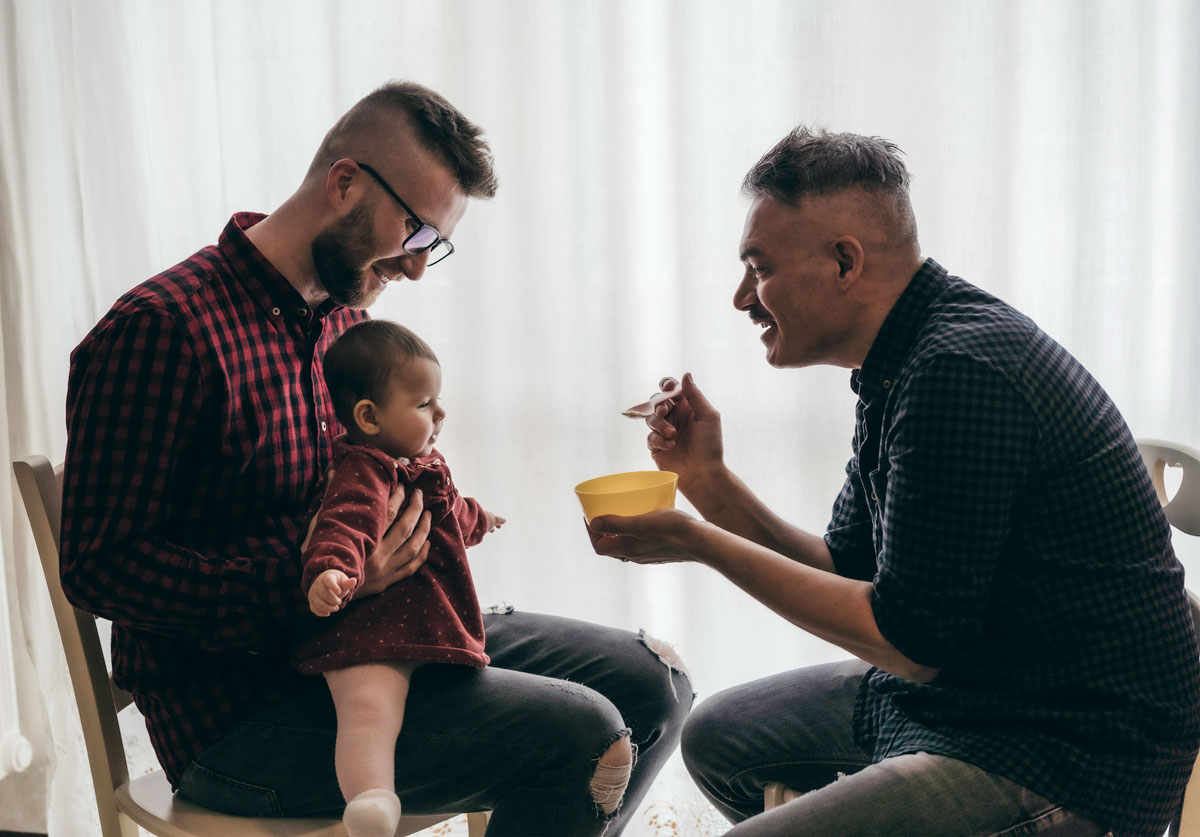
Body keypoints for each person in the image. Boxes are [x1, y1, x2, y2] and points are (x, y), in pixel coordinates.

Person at [59, 80, 691, 837]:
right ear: (345, 182)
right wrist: (319, 584)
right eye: (414, 231)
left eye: (436, 244)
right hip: (242, 715)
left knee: (656, 683)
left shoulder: (347, 330)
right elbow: (100, 567)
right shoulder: (161, 331)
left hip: (391, 640)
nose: (419, 268)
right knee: (582, 732)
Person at [587, 127, 1200, 836]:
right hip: (977, 688)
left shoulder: (960, 372)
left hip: (1064, 745)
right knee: (722, 737)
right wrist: (708, 481)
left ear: (844, 261)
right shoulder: (901, 362)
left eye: (758, 267)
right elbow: (850, 569)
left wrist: (701, 542)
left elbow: (908, 643)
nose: (740, 298)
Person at [297, 319, 504, 837]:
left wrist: (481, 519)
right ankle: (371, 802)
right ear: (368, 417)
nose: (440, 413)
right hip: (368, 631)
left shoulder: (424, 462)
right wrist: (333, 572)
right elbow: (342, 525)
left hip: (427, 626)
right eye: (423, 404)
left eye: (437, 400)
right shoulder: (364, 470)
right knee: (368, 710)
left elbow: (451, 511)